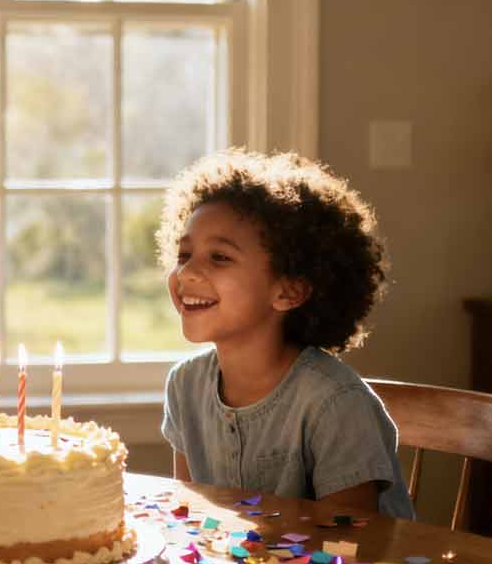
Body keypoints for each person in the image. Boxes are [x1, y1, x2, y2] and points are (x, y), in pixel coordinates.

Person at [156, 149, 414, 518]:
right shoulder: (184, 386)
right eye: (184, 256)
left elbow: (351, 546)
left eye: (220, 257)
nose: (187, 274)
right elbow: (191, 520)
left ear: (288, 291)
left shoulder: (335, 403)